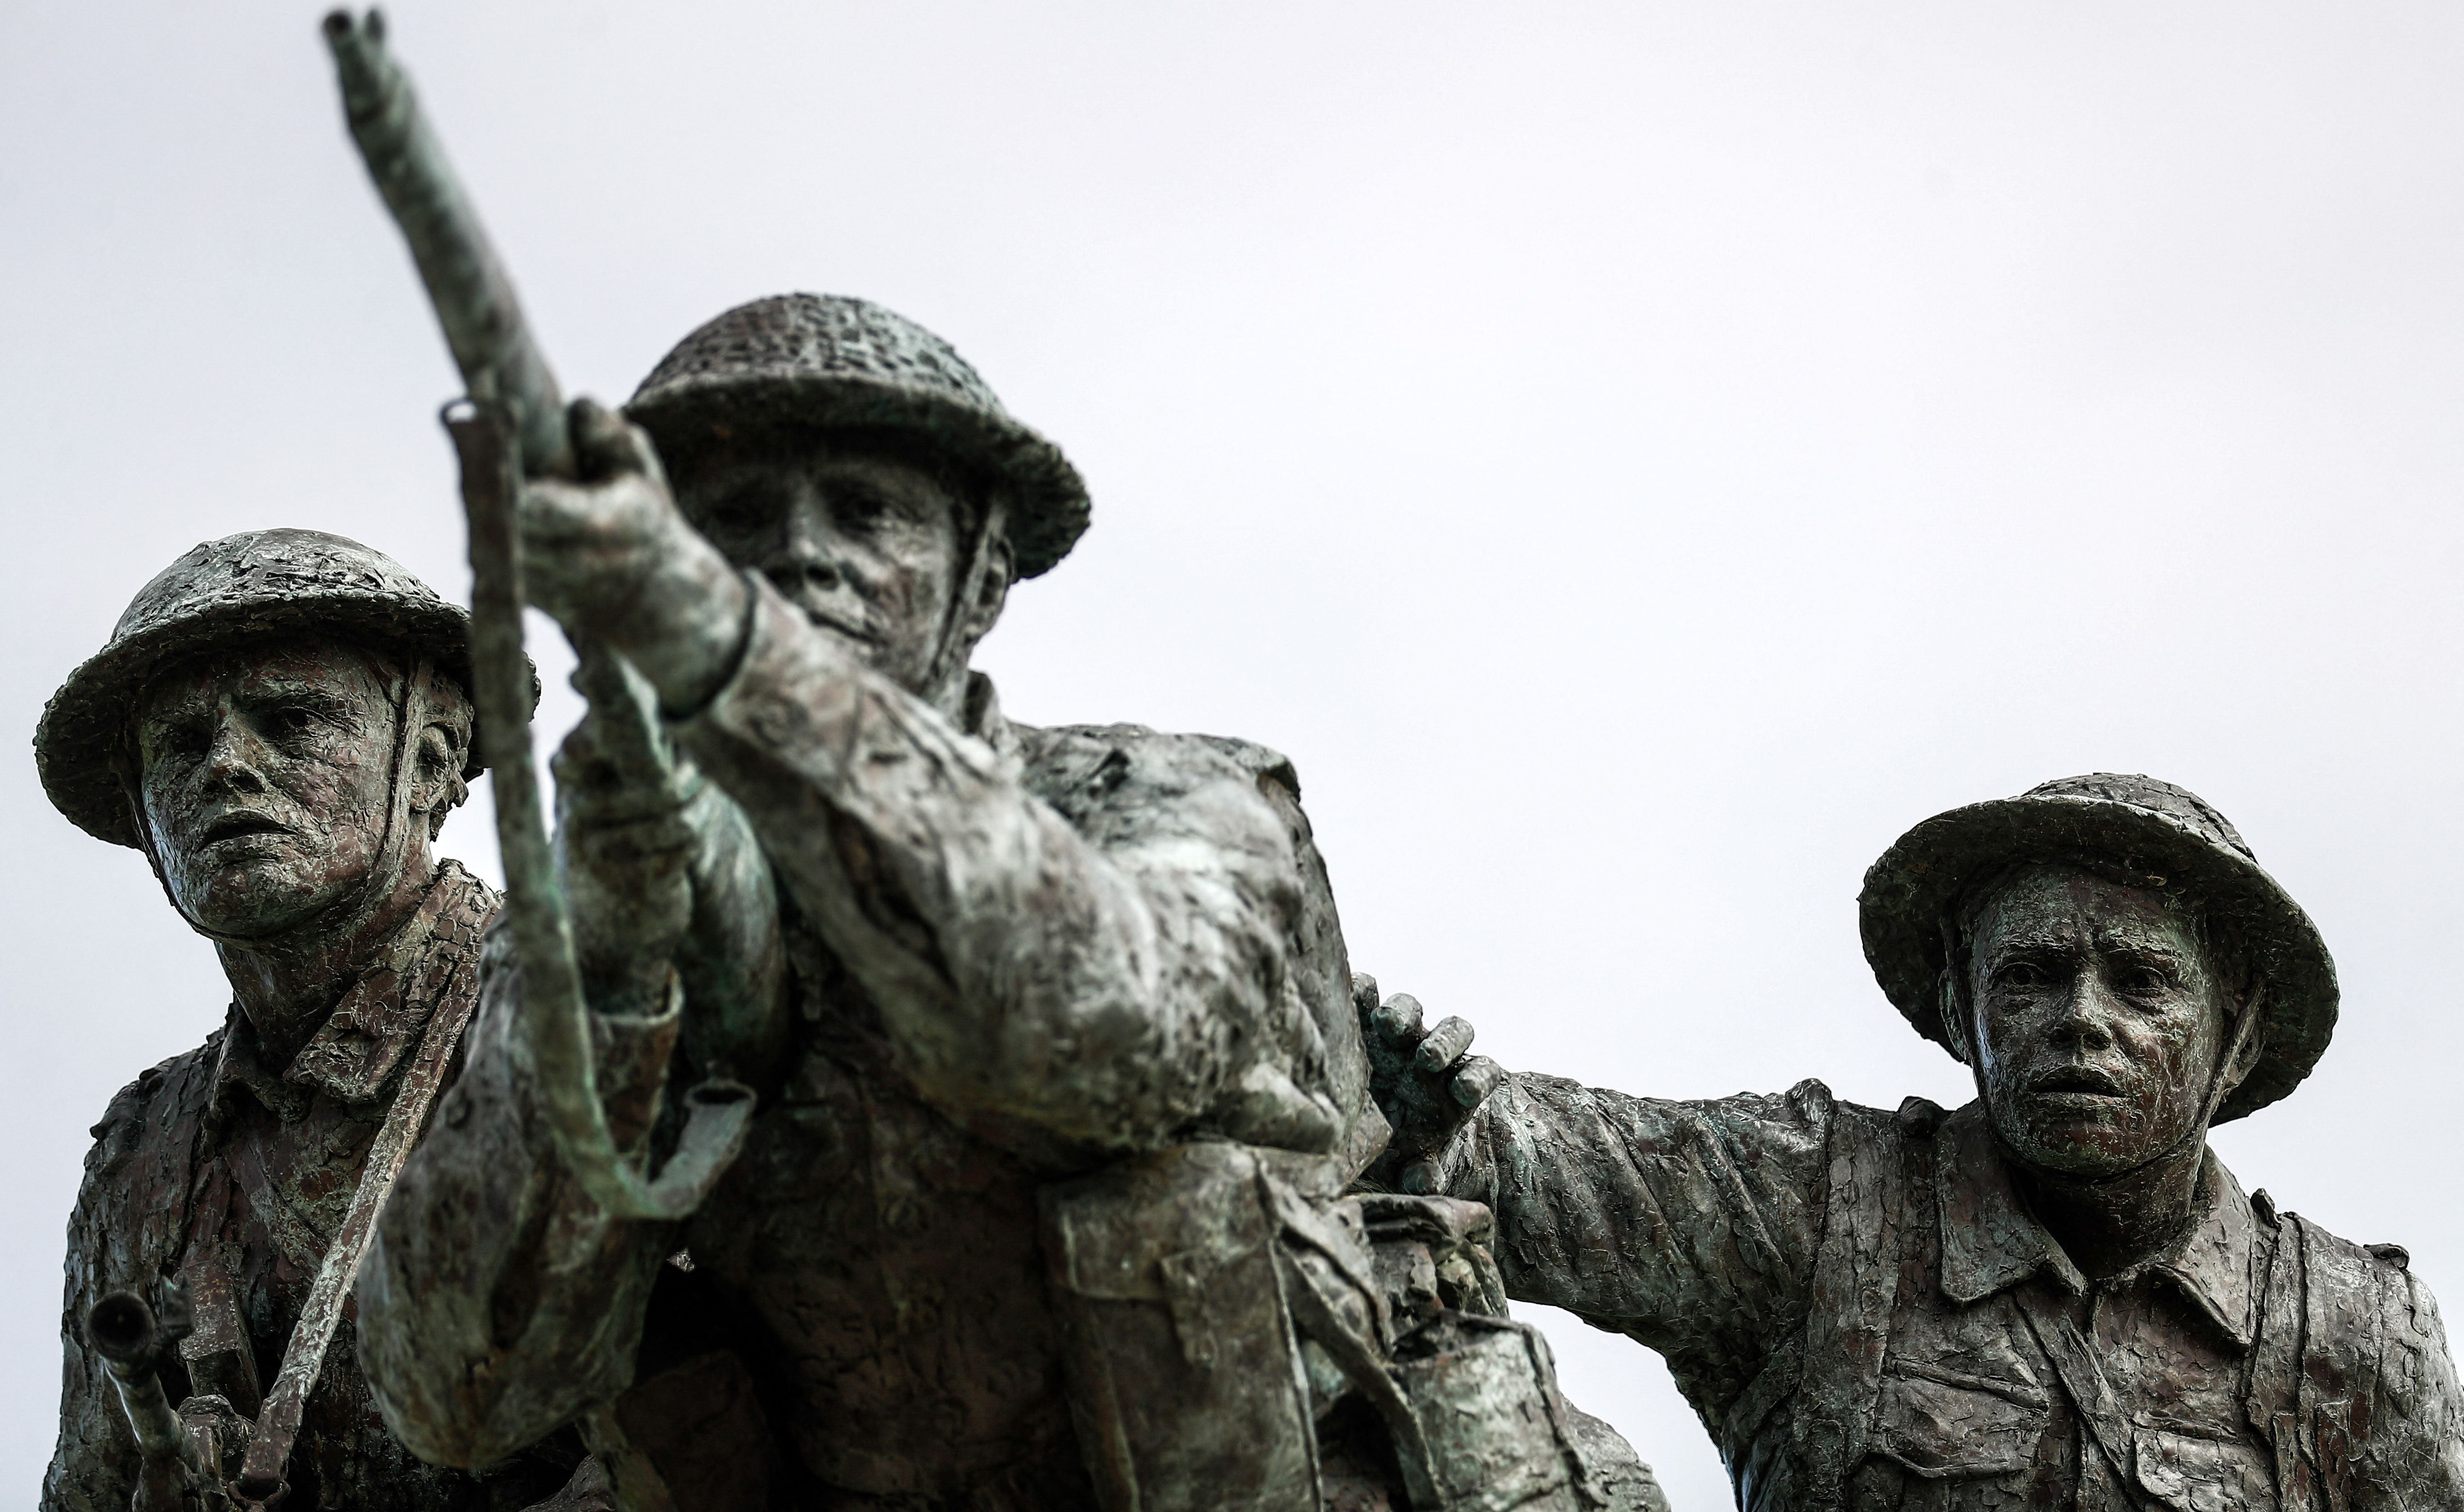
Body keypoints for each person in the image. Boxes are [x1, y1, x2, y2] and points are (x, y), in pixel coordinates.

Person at [357, 294, 1662, 1511]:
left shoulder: (1176, 798)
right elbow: (459, 1400)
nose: (800, 556)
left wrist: (736, 661)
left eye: (866, 512)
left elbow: (1112, 1049)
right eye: (736, 522)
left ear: (982, 578)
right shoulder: (622, 887)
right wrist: (613, 972)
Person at [1368, 772, 2464, 1510]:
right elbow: (1515, 1156)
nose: (2085, 1018)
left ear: (2238, 1036)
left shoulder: (2359, 1335)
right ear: (1958, 1005)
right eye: (2028, 974)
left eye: (2142, 983)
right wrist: (1432, 1121)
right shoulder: (1808, 1206)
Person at [35, 528, 586, 1512]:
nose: (228, 768)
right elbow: (88, 1487)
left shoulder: (589, 1026)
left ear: (429, 759)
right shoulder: (143, 1156)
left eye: (291, 722)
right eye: (183, 745)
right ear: (142, 810)